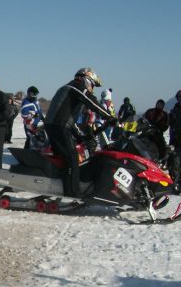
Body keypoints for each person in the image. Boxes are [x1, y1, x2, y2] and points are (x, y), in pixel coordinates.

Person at [44, 68, 115, 197]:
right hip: (59, 126)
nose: (92, 89)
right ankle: (73, 193)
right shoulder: (77, 85)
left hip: (57, 125)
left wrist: (80, 136)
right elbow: (91, 101)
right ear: (86, 79)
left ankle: (61, 187)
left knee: (64, 159)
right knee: (72, 159)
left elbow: (69, 118)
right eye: (93, 85)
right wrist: (108, 116)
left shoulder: (70, 88)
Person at [20, 86, 43, 150]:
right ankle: (26, 152)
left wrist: (42, 117)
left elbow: (39, 111)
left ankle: (33, 150)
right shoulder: (26, 102)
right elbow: (24, 115)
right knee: (30, 137)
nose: (34, 96)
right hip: (29, 124)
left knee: (35, 137)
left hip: (35, 123)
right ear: (29, 93)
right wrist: (36, 115)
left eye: (35, 94)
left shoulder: (36, 101)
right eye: (33, 94)